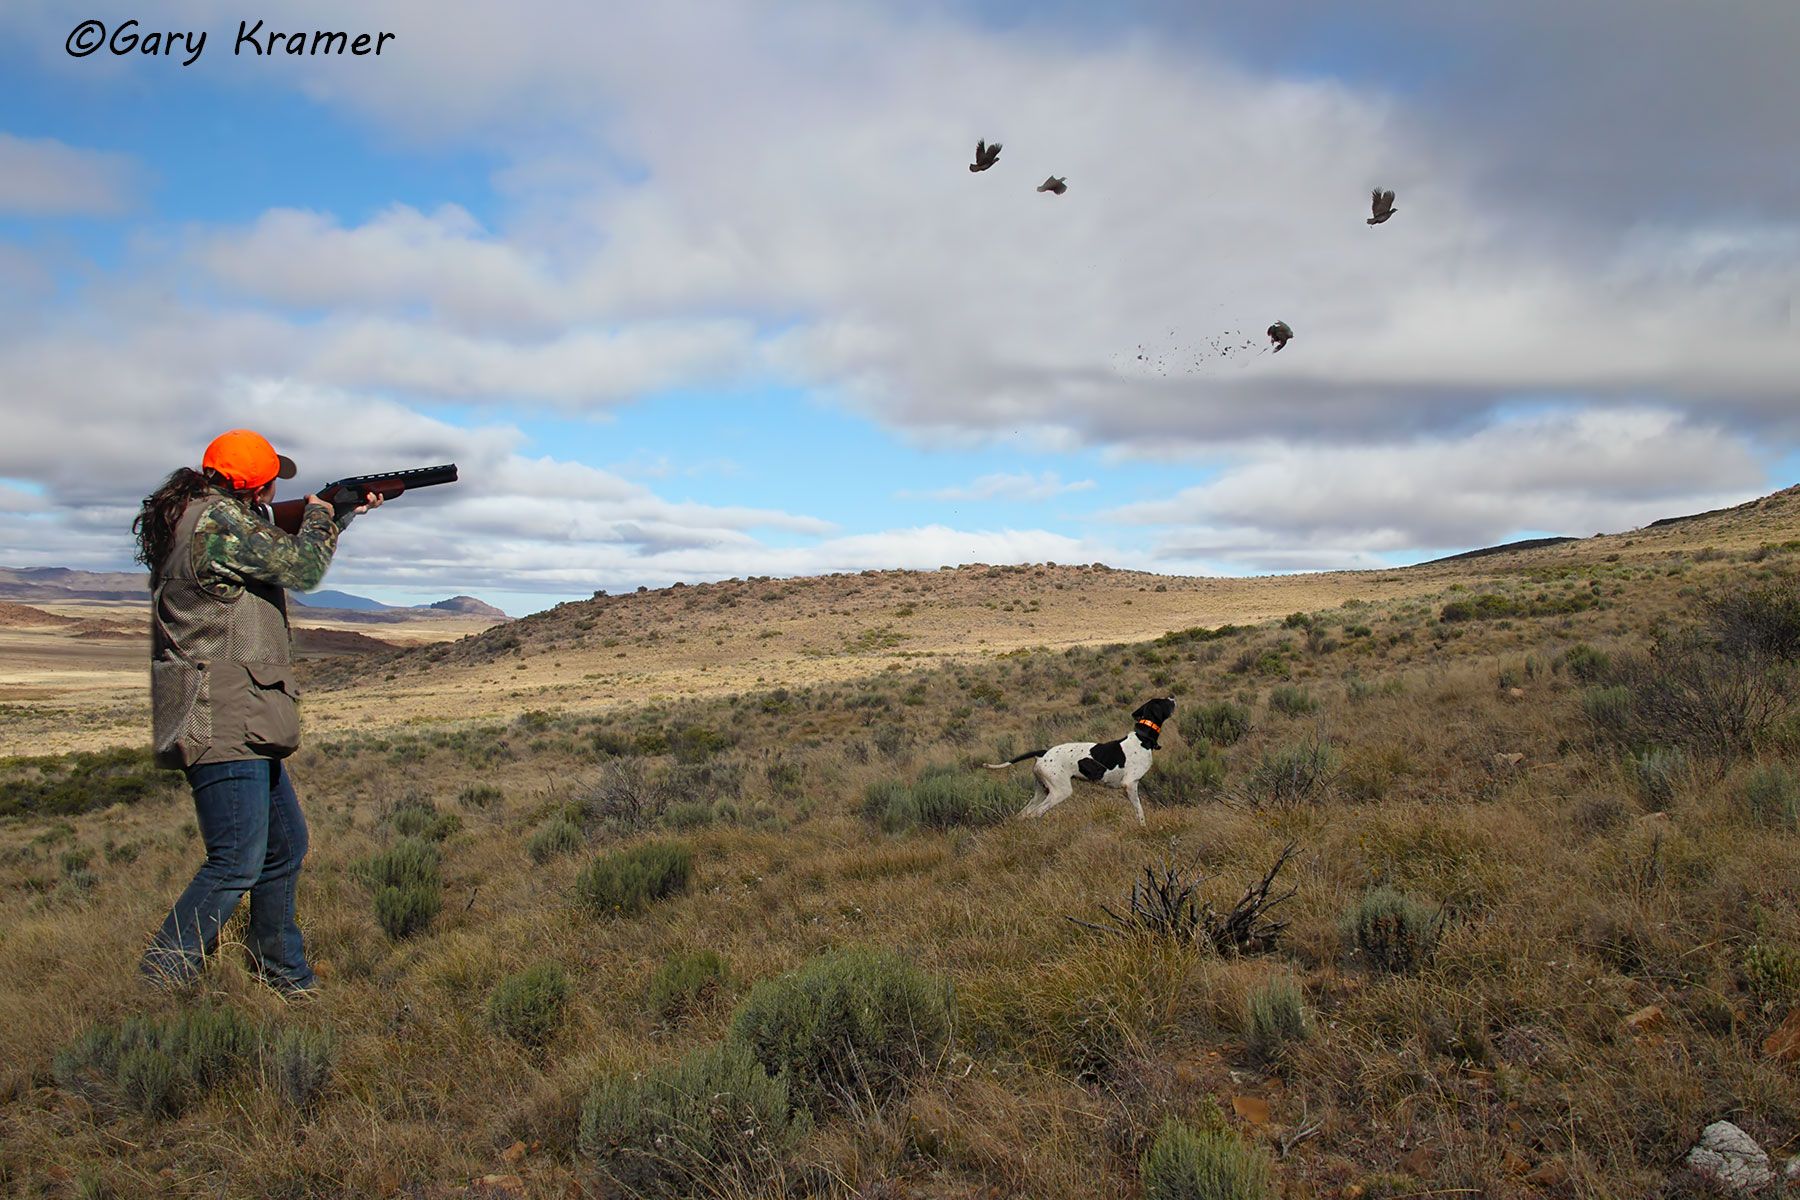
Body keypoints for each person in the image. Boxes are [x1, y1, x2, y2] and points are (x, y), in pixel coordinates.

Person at [132, 430, 382, 996]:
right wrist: (321, 517)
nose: (276, 487)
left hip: (240, 710)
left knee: (284, 845)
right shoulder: (218, 523)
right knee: (235, 861)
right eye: (271, 479)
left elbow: (273, 551)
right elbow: (303, 569)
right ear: (256, 484)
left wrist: (337, 517)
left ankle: (283, 975)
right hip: (221, 712)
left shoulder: (206, 518)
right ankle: (157, 981)